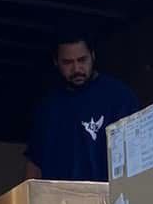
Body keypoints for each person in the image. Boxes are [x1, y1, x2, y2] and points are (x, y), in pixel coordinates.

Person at [25, 37, 140, 184]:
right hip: (58, 202)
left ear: (93, 56)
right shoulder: (47, 107)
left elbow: (136, 153)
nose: (76, 69)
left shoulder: (119, 97)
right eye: (67, 62)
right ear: (56, 62)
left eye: (82, 60)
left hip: (107, 200)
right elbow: (34, 163)